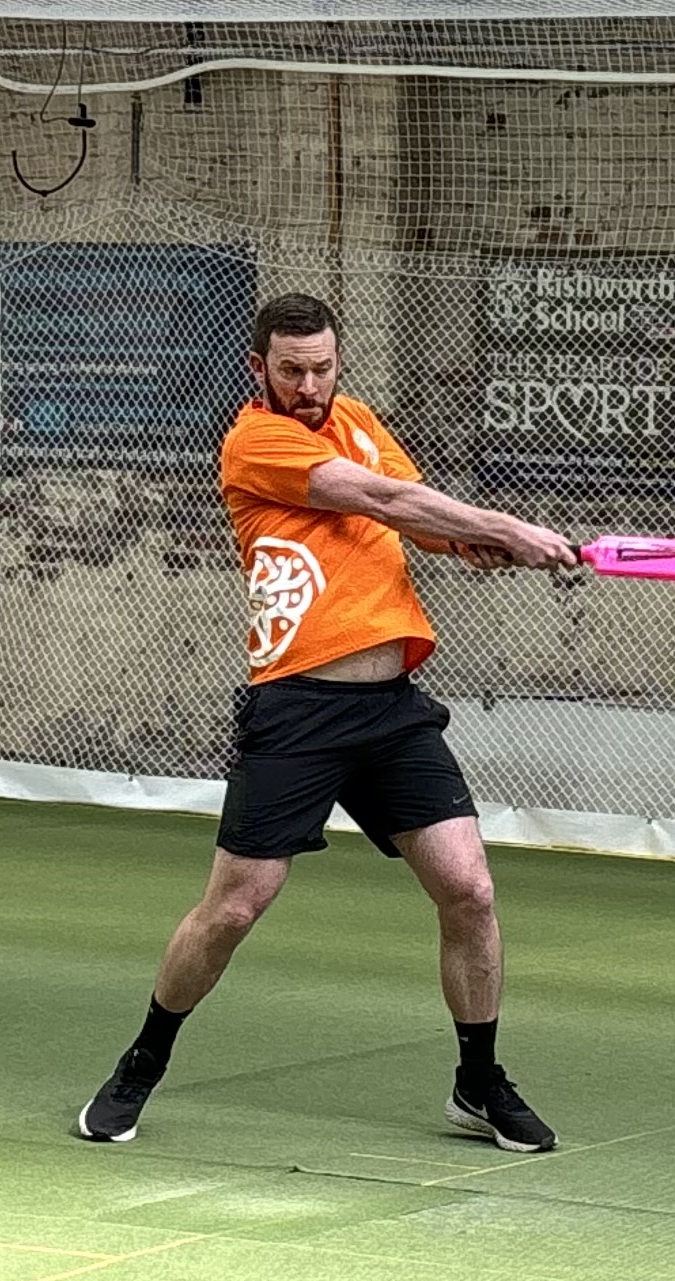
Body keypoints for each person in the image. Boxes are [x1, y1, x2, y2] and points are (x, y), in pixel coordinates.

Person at [77, 293, 581, 1153]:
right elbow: (382, 497)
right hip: (297, 710)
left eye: (322, 369)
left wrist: (478, 547)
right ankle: (141, 1063)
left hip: (390, 713)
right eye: (291, 371)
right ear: (258, 370)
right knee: (235, 908)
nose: (309, 386)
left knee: (470, 890)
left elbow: (414, 516)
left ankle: (477, 1081)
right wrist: (506, 525)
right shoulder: (254, 442)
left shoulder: (354, 419)